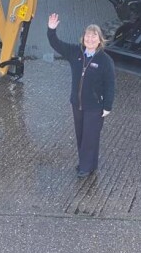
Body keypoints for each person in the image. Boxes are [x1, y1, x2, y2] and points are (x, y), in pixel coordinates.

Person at [47, 14, 115, 178]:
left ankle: (84, 167)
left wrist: (107, 106)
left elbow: (110, 84)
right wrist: (51, 30)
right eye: (87, 36)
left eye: (94, 36)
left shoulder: (105, 60)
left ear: (100, 40)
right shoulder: (74, 52)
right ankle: (90, 164)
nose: (90, 39)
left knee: (90, 136)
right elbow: (56, 44)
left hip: (94, 106)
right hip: (77, 103)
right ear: (83, 38)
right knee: (81, 135)